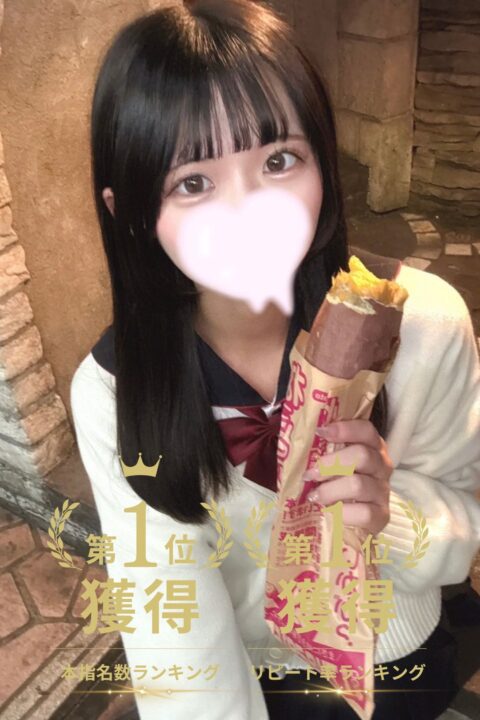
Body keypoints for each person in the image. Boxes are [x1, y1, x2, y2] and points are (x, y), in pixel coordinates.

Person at [70, 1, 480, 719]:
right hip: (251, 674)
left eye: (279, 160)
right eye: (193, 182)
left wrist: (392, 513)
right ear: (128, 210)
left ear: (323, 159)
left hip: (399, 658)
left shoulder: (429, 323)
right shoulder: (115, 391)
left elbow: (467, 518)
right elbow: (177, 646)